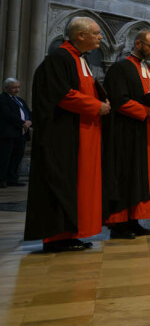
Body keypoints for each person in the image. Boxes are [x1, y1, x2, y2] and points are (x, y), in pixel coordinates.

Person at [24, 17, 111, 252]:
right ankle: (57, 237)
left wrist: (102, 101)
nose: (100, 37)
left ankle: (71, 233)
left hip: (82, 133)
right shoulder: (59, 59)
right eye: (96, 33)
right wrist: (96, 106)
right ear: (80, 35)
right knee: (61, 183)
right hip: (62, 136)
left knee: (77, 186)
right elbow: (63, 94)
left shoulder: (79, 59)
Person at [103, 30, 150, 239]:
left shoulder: (148, 69)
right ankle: (119, 224)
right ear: (138, 44)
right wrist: (146, 111)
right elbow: (118, 99)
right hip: (127, 133)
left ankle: (135, 220)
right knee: (127, 176)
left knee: (141, 179)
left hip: (147, 132)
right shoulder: (121, 68)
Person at [0, 78, 31, 187]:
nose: (17, 90)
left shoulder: (20, 100)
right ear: (6, 88)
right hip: (8, 134)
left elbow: (27, 112)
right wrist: (22, 122)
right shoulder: (3, 99)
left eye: (18, 87)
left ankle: (12, 178)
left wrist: (29, 121)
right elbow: (8, 115)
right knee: (5, 157)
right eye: (14, 87)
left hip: (21, 134)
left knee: (17, 157)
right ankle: (2, 179)